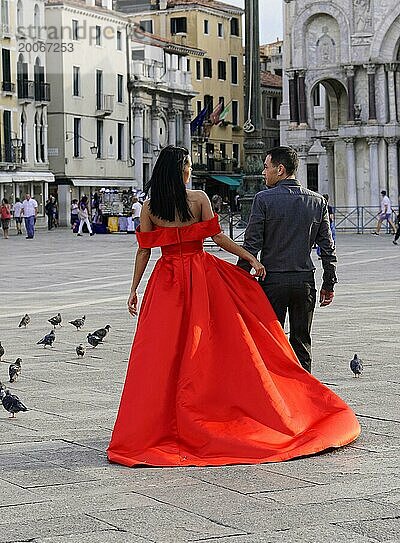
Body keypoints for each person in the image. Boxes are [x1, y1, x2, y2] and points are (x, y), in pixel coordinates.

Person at [107, 145, 360, 468]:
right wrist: (249, 258)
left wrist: (133, 290)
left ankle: (163, 422)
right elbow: (219, 239)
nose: (190, 170)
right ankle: (226, 409)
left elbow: (143, 252)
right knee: (204, 348)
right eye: (188, 165)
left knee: (163, 352)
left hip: (166, 281)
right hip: (199, 275)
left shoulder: (150, 207)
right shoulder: (198, 199)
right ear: (181, 170)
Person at [237, 146, 337, 373]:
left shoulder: (263, 199)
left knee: (271, 341)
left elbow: (251, 245)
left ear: (280, 169)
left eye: (266, 167)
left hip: (273, 282)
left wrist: (239, 279)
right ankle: (305, 395)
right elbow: (327, 248)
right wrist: (329, 283)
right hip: (305, 282)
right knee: (302, 342)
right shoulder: (317, 201)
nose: (263, 172)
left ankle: (277, 396)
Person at [317, 193, 336, 258]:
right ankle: (331, 252)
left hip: (321, 223)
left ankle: (319, 253)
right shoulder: (329, 207)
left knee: (321, 239)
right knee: (330, 238)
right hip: (328, 223)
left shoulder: (320, 206)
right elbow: (331, 216)